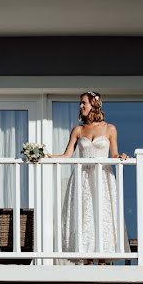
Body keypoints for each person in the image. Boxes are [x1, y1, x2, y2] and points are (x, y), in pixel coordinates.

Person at [46, 92, 130, 264]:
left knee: (101, 215)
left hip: (102, 178)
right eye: (80, 103)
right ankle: (88, 261)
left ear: (94, 104)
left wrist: (121, 156)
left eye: (84, 103)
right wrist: (46, 156)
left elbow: (113, 154)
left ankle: (103, 262)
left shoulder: (109, 129)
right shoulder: (78, 130)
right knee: (85, 216)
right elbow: (67, 155)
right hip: (83, 178)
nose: (80, 106)